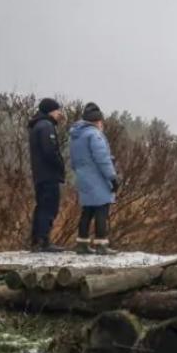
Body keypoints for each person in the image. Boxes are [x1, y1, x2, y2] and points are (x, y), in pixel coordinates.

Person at [69, 103, 119, 255]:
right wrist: (112, 177)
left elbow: (73, 160)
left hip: (83, 176)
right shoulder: (94, 135)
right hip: (98, 177)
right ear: (98, 121)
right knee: (102, 209)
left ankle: (82, 243)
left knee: (87, 210)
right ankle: (101, 244)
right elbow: (102, 159)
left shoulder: (76, 135)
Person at [27, 98, 66, 252]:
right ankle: (43, 241)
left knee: (42, 206)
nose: (59, 114)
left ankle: (37, 239)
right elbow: (50, 151)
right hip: (48, 174)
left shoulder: (37, 125)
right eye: (57, 111)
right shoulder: (46, 126)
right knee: (49, 207)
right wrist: (59, 165)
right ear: (51, 111)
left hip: (40, 174)